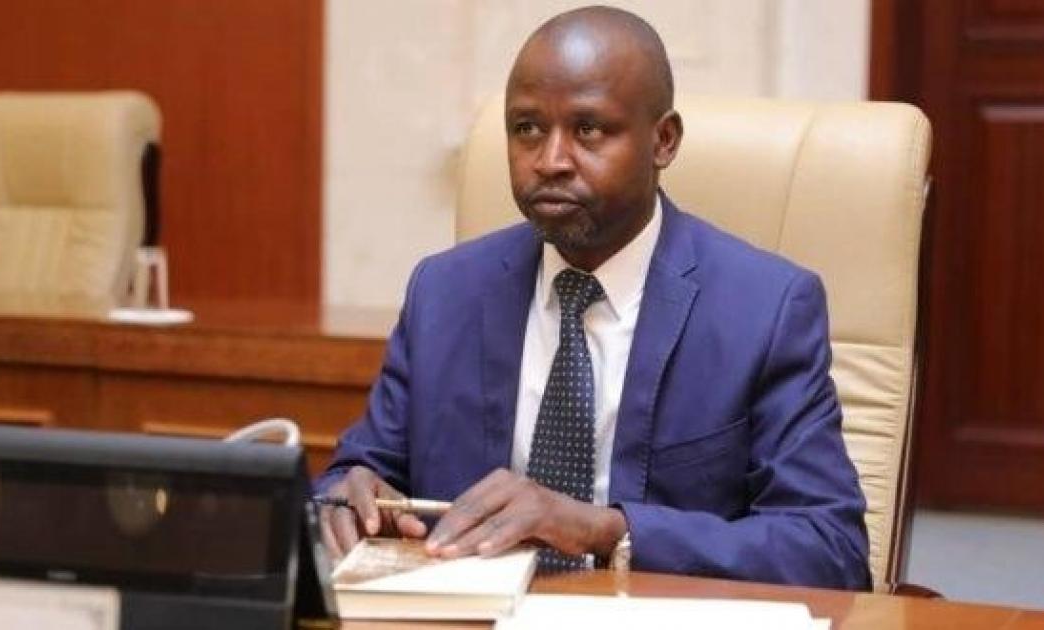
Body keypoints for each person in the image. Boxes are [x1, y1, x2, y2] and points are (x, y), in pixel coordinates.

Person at [315, 5, 870, 590]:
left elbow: (829, 549)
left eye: (588, 130)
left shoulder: (764, 309)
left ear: (663, 141)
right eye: (527, 129)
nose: (550, 161)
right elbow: (357, 472)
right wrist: (344, 497)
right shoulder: (445, 292)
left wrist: (606, 531)